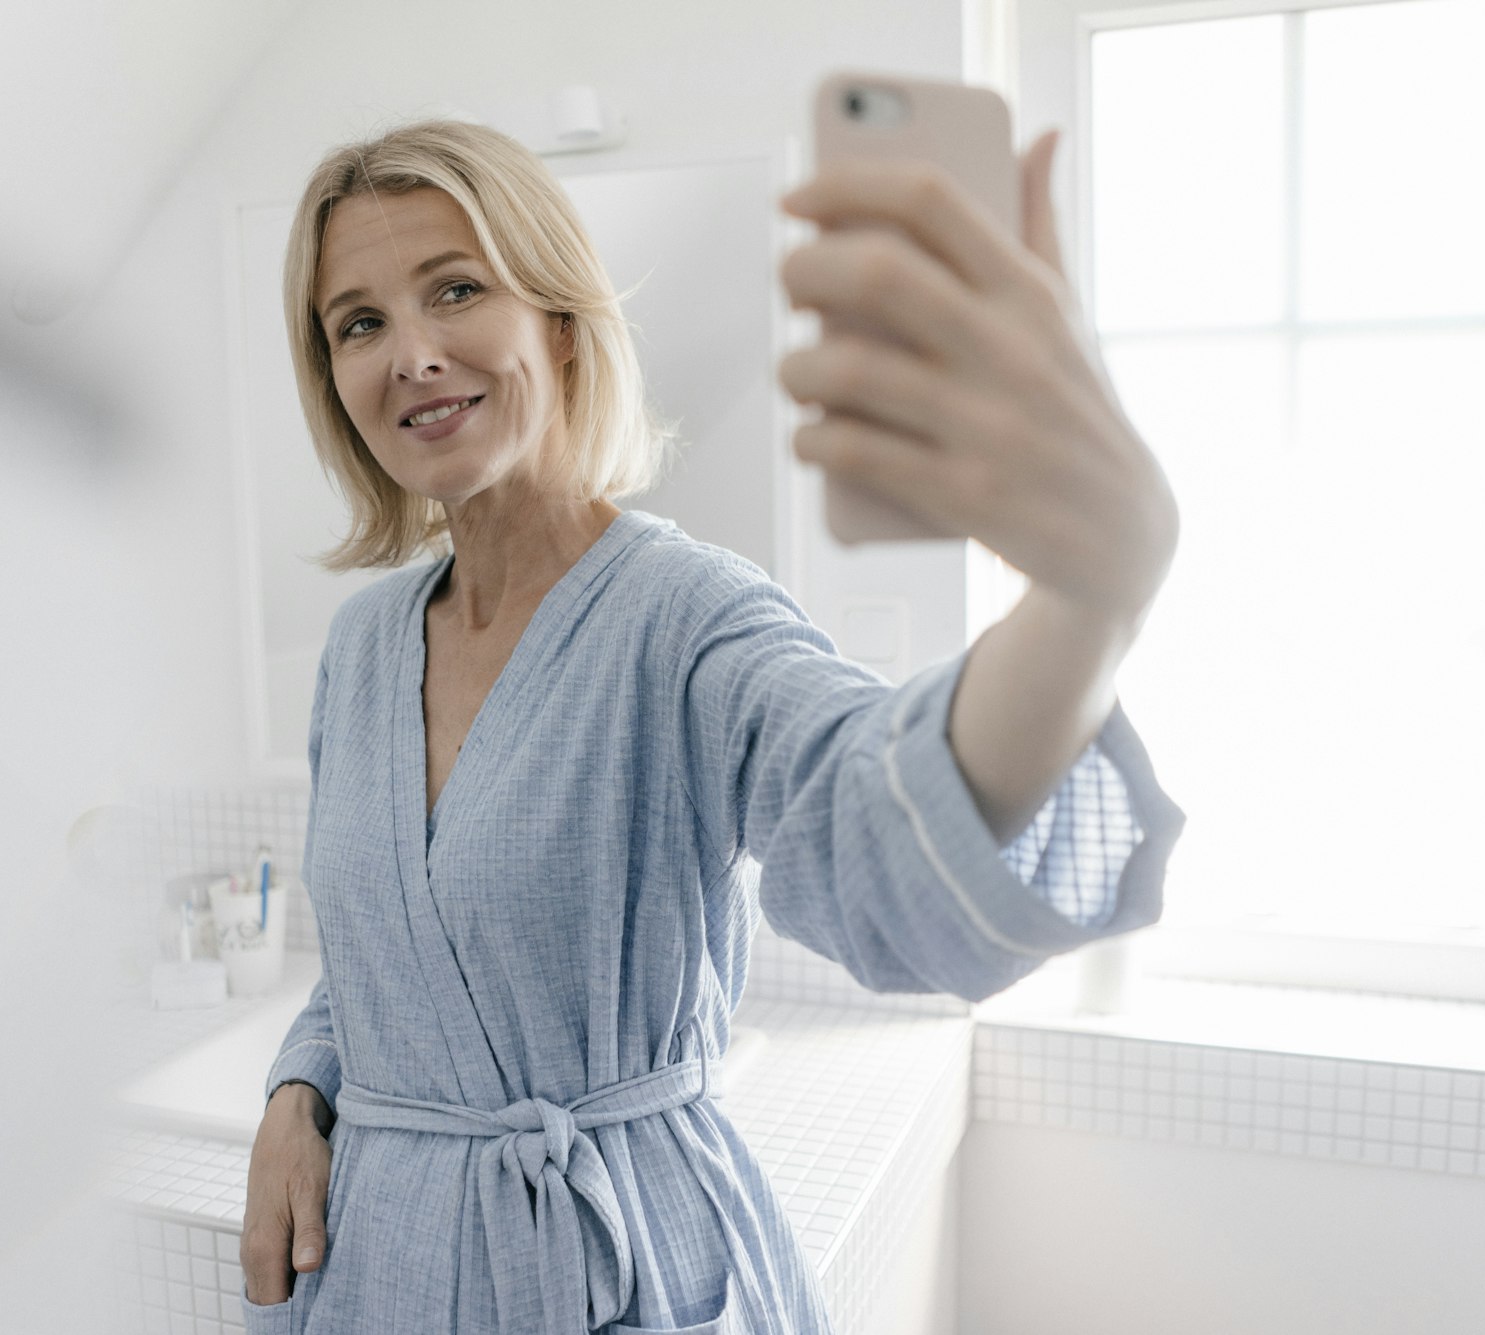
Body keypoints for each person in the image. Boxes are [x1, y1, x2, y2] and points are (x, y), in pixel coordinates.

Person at [240, 117, 1186, 1335]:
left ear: (559, 322)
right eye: (358, 323)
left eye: (456, 290)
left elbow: (872, 812)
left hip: (618, 1257)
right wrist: (299, 1091)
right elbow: (382, 959)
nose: (411, 354)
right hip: (387, 1267)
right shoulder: (362, 649)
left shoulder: (684, 619)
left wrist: (1086, 598)